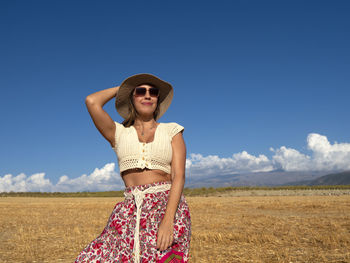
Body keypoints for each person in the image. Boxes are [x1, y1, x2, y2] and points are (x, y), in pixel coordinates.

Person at [74, 73, 191, 263]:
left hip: (166, 207)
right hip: (129, 208)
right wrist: (124, 88)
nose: (147, 95)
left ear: (157, 100)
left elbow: (178, 176)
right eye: (140, 91)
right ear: (131, 97)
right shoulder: (118, 133)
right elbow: (92, 101)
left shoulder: (172, 130)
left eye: (153, 92)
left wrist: (168, 222)